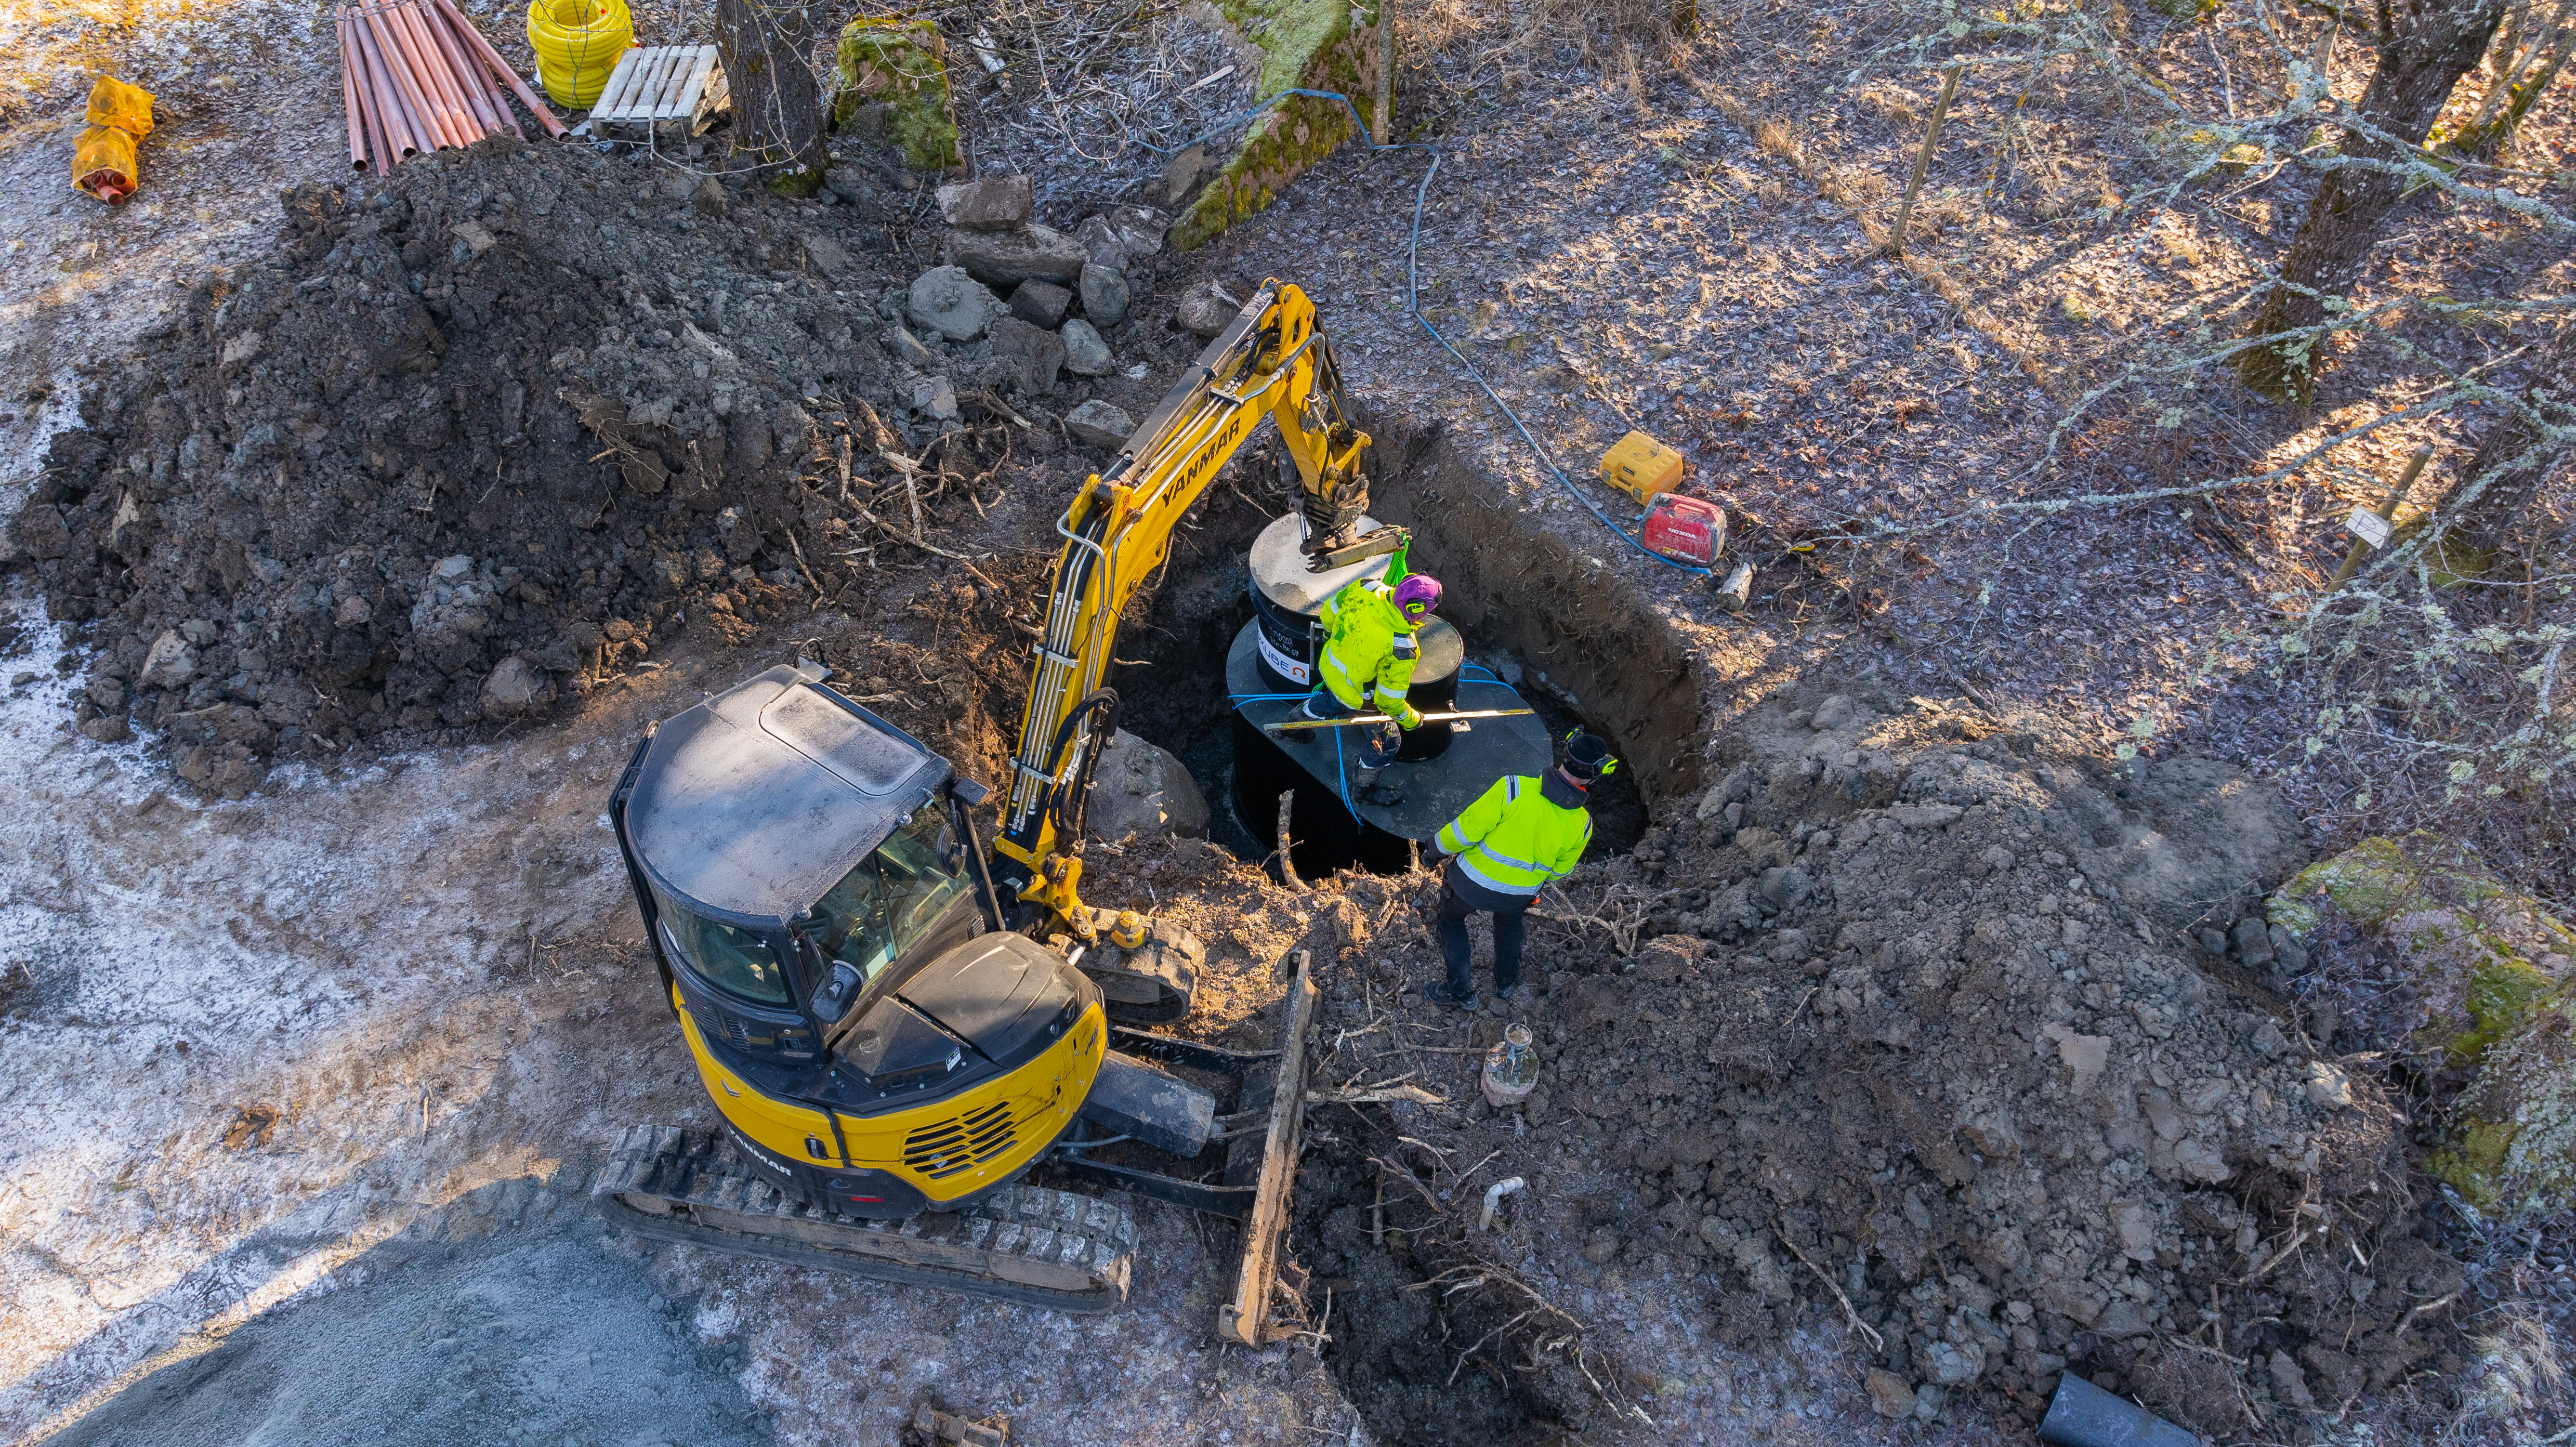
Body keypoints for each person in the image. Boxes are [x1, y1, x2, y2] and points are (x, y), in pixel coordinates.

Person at [1423, 731, 1614, 1011]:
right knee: (1509, 926)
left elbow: (1466, 830)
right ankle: (1505, 984)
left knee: (1451, 923)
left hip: (1470, 883)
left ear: (1565, 754)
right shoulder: (1583, 824)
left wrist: (1434, 850)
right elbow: (1560, 872)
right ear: (1596, 775)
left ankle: (1461, 994)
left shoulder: (1513, 788)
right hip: (1518, 894)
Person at [1295, 571, 1442, 807]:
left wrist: (1333, 634)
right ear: (1416, 609)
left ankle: (1292, 727)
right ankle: (1363, 792)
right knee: (1387, 743)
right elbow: (1388, 702)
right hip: (1358, 697)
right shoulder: (1401, 646)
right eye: (1428, 610)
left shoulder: (1367, 586)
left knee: (1331, 700)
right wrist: (1412, 719)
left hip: (1331, 668)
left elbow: (1330, 611)